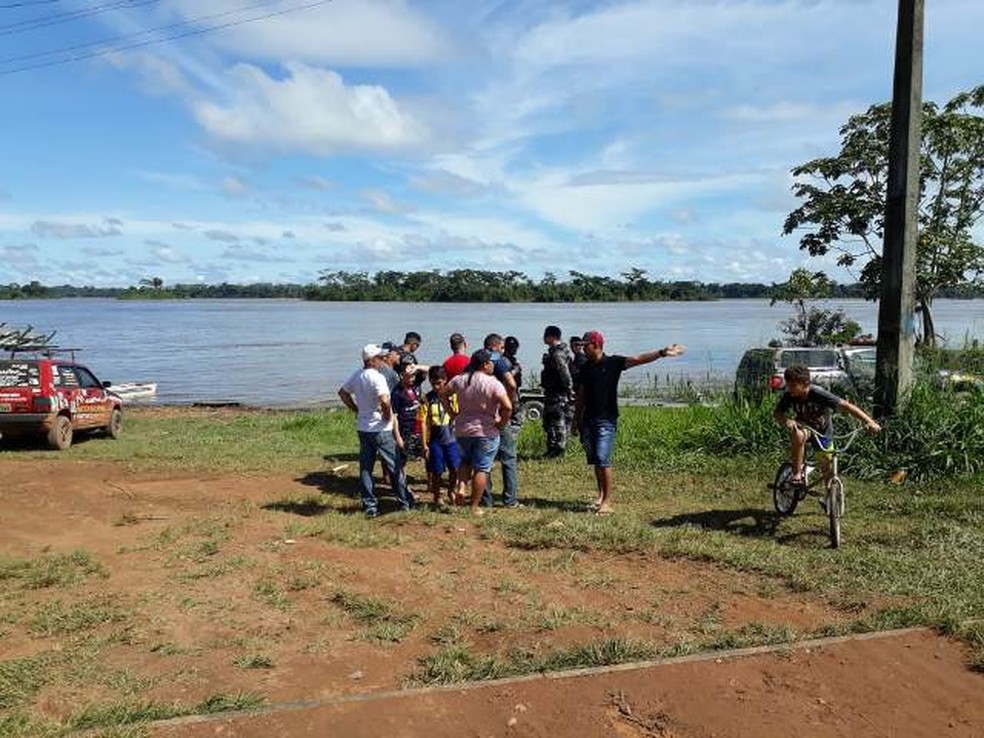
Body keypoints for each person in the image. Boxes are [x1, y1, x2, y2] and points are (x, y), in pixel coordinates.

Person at [573, 330, 685, 515]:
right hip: (588, 420)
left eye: (586, 346)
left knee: (603, 459)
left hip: (606, 420)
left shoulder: (613, 363)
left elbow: (639, 358)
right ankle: (600, 495)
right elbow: (581, 396)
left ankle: (607, 502)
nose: (583, 349)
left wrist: (662, 352)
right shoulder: (586, 367)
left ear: (596, 344)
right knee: (595, 461)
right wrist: (576, 420)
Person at [773, 364, 881, 492]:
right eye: (788, 385)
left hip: (823, 432)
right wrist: (787, 420)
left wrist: (869, 421)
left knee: (826, 466)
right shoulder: (789, 395)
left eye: (793, 386)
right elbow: (778, 413)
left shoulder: (818, 393)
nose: (789, 389)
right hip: (805, 427)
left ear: (805, 383)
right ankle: (797, 474)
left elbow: (846, 406)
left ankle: (829, 497)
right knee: (798, 435)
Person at [338, 343, 415, 517]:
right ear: (371, 360)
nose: (383, 360)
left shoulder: (357, 375)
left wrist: (356, 409)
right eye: (380, 358)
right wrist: (387, 416)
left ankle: (370, 506)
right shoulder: (377, 377)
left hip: (364, 428)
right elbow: (385, 401)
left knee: (366, 468)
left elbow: (343, 393)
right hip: (381, 429)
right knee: (394, 465)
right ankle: (405, 502)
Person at [440, 349, 512, 515]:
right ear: (485, 364)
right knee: (481, 468)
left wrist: (453, 414)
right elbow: (507, 406)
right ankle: (474, 507)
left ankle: (462, 487)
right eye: (491, 362)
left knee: (465, 462)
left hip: (462, 430)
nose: (493, 365)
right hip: (486, 432)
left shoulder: (460, 379)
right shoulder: (493, 383)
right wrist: (501, 423)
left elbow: (443, 394)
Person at [482, 333, 520, 508]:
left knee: (483, 457)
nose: (503, 351)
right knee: (509, 456)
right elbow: (511, 384)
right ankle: (510, 500)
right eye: (502, 347)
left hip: (479, 414)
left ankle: (485, 498)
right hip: (497, 412)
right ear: (494, 347)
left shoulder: (475, 359)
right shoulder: (497, 359)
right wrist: (508, 404)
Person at [419, 365, 460, 507]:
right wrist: (424, 443)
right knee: (436, 470)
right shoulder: (426, 399)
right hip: (435, 440)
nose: (436, 386)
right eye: (433, 383)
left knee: (455, 468)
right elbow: (423, 422)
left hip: (452, 439)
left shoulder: (454, 397)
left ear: (445, 381)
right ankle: (437, 496)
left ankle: (451, 490)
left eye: (439, 383)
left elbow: (458, 415)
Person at [392, 360, 424, 503]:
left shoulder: (416, 385)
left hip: (419, 428)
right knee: (401, 461)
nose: (412, 378)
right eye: (409, 375)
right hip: (405, 429)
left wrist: (416, 367)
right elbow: (394, 416)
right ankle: (404, 490)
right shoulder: (397, 392)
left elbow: (433, 370)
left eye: (413, 375)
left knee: (424, 455)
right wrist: (398, 437)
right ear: (401, 375)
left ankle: (431, 485)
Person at [540, 325, 573, 458]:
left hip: (557, 392)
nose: (543, 338)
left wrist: (569, 388)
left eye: (545, 335)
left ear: (551, 336)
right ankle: (553, 448)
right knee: (551, 420)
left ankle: (558, 450)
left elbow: (564, 372)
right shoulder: (559, 351)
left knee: (557, 420)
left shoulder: (557, 353)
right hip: (554, 391)